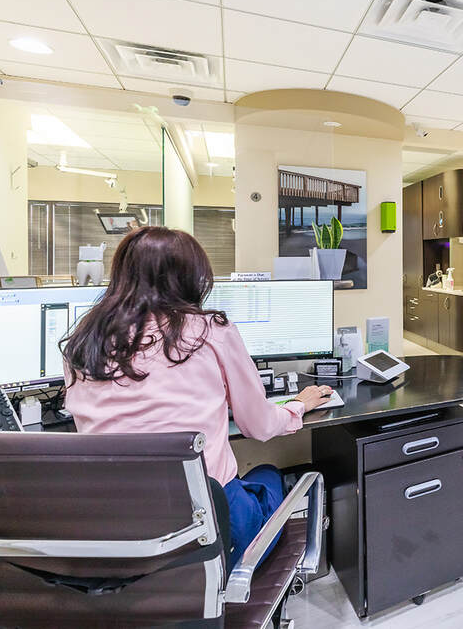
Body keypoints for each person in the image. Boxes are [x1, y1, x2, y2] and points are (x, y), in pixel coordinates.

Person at [62, 226, 333, 569]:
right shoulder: (209, 331)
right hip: (210, 530)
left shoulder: (85, 342)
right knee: (267, 475)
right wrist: (298, 404)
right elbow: (260, 426)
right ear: (191, 278)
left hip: (121, 535)